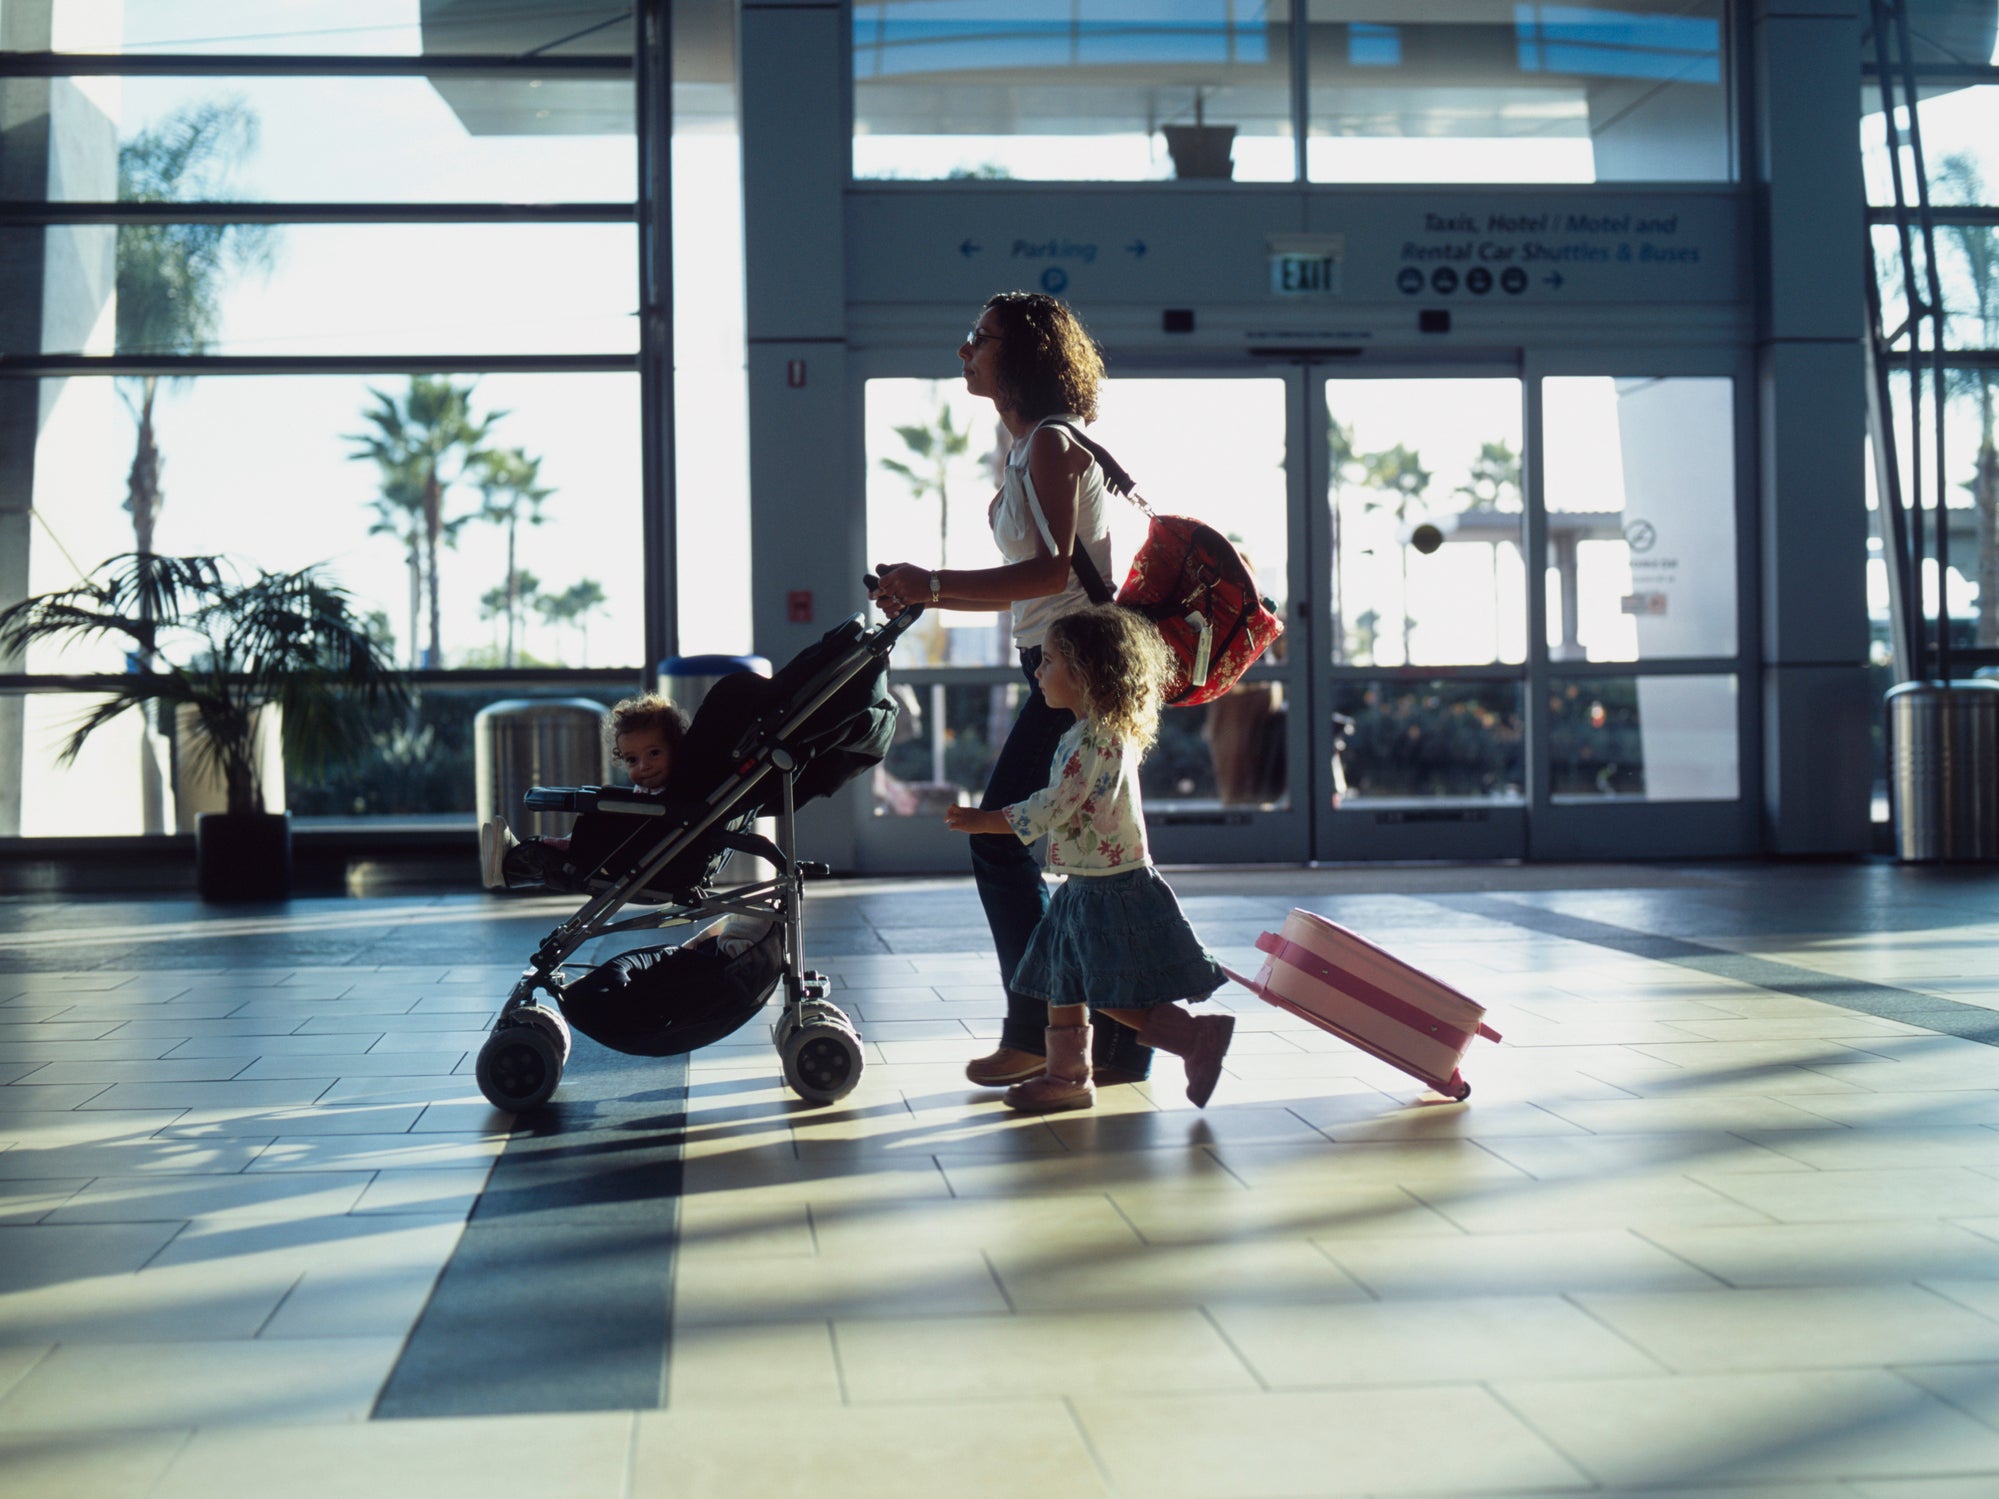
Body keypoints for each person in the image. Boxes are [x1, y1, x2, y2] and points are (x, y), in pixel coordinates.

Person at [871, 290, 1154, 1089]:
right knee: (1097, 862)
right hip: (1057, 665)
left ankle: (1036, 1026)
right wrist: (923, 591)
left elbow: (1049, 572)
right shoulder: (1027, 450)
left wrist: (929, 582)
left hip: (1084, 670)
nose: (964, 350)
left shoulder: (1055, 447)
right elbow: (1026, 587)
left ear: (1025, 356)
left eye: (980, 338)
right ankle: (1118, 1042)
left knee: (1000, 839)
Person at [942, 604, 1235, 1114]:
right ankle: (1068, 1075)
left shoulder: (1094, 739)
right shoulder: (1087, 732)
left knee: (1107, 989)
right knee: (1064, 978)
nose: (1038, 671)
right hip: (1086, 881)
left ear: (1085, 673)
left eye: (1049, 661)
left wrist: (987, 821)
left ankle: (1193, 1040)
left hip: (1107, 886)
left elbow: (1056, 803)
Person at [479, 692, 688, 891]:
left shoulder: (673, 794)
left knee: (568, 849)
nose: (644, 766)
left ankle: (510, 866)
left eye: (654, 753)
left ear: (676, 748)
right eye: (632, 759)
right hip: (627, 855)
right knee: (572, 842)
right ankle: (510, 863)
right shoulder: (665, 791)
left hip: (633, 859)